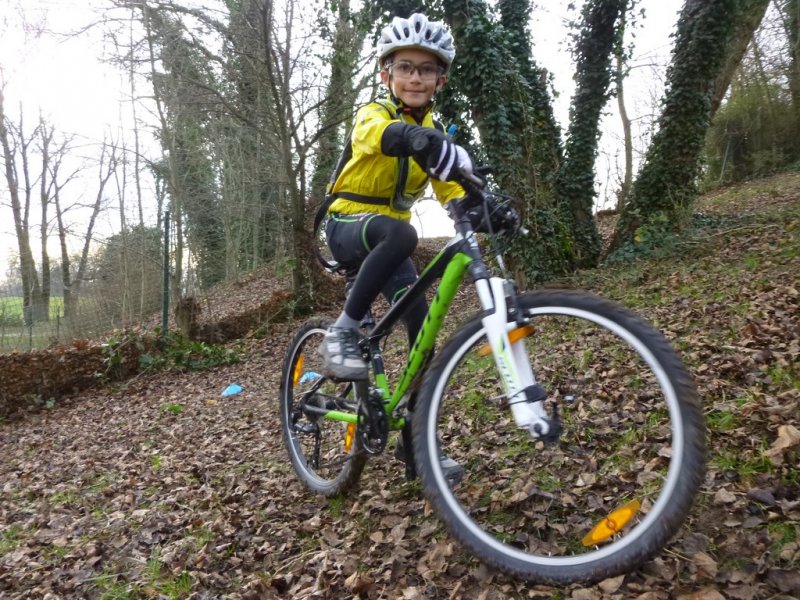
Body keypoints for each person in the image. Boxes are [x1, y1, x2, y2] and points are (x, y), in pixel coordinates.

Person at [318, 13, 477, 384]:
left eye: (426, 69)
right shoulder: (373, 113)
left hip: (389, 237)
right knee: (404, 235)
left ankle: (411, 423)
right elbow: (377, 135)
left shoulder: (434, 131)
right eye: (405, 67)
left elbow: (449, 188)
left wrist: (476, 206)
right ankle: (341, 331)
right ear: (386, 76)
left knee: (421, 323)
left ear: (441, 79)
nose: (416, 78)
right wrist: (416, 140)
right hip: (347, 224)